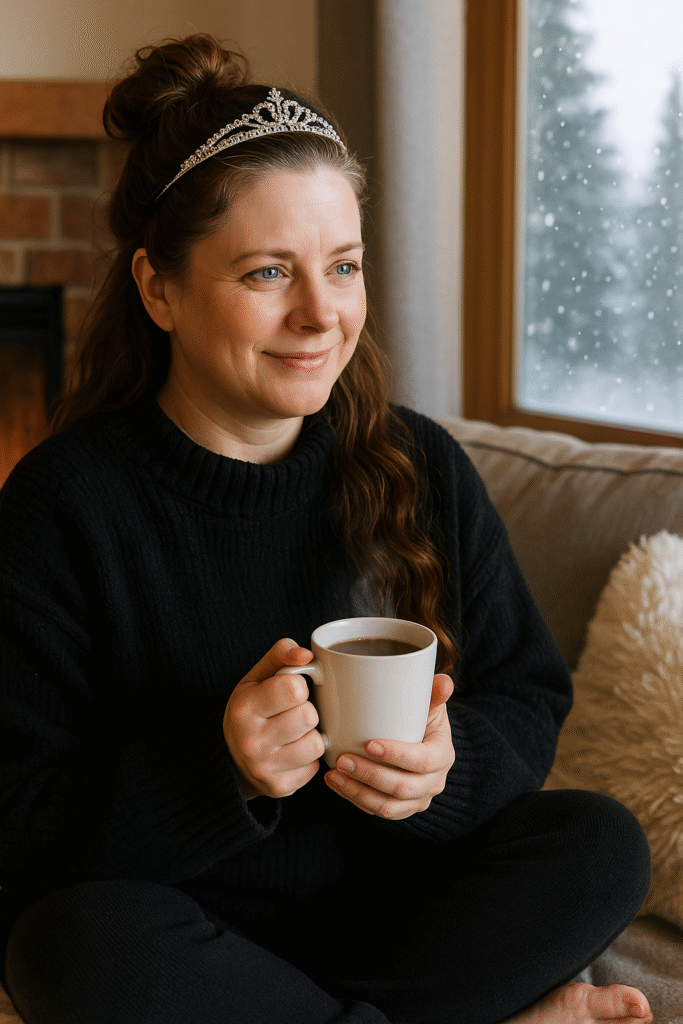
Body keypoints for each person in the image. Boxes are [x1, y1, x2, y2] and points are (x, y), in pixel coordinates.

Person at [0, 33, 653, 1024]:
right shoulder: (67, 502)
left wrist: (449, 764)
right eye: (267, 273)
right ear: (157, 288)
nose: (320, 314)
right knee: (60, 946)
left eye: (340, 265)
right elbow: (22, 819)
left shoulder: (421, 464)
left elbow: (525, 693)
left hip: (398, 918)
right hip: (189, 931)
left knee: (600, 842)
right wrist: (217, 769)